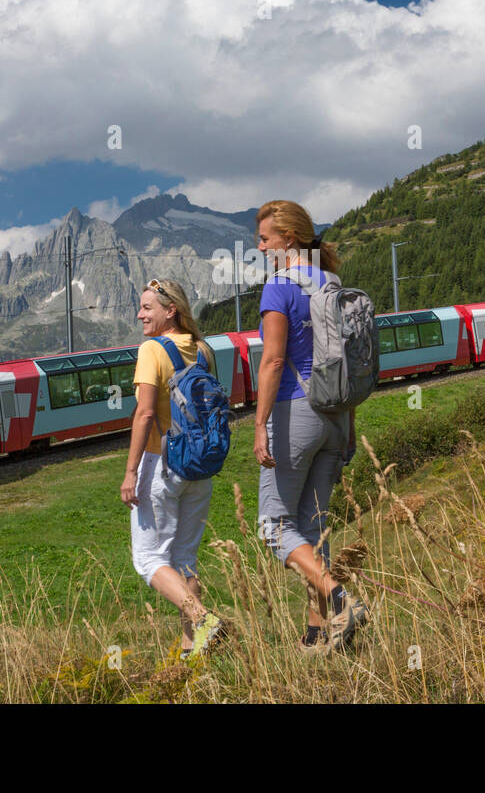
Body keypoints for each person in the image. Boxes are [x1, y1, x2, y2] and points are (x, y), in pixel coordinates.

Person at [252, 199, 369, 652]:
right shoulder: (335, 285)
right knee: (311, 527)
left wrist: (260, 424)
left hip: (295, 412)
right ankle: (318, 635)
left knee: (275, 527)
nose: (260, 247)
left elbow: (275, 360)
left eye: (265, 239)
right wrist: (350, 423)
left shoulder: (279, 287)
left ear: (290, 238)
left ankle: (342, 599)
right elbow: (350, 364)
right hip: (337, 417)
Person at [121, 277, 223, 659]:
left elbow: (146, 413)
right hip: (199, 466)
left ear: (170, 311)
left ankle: (202, 620)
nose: (140, 314)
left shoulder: (153, 349)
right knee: (183, 561)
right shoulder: (203, 350)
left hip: (161, 463)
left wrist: (130, 472)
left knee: (148, 559)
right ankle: (191, 650)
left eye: (147, 307)